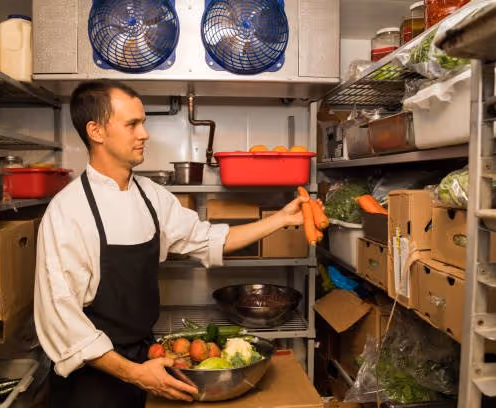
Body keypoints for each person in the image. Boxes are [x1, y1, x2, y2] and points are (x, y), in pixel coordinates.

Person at [34, 79, 318, 408]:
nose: (145, 134)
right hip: (92, 377)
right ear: (96, 131)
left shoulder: (152, 196)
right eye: (132, 124)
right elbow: (62, 321)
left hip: (148, 359)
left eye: (143, 122)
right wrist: (132, 373)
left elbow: (209, 239)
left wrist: (280, 219)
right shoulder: (67, 212)